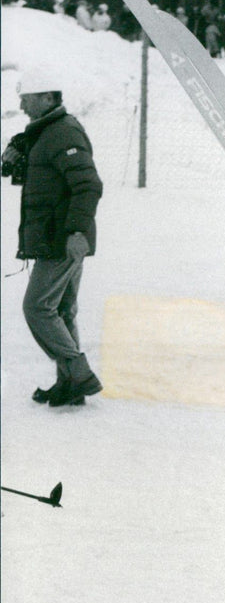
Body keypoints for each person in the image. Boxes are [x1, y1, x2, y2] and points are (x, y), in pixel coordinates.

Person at [1, 74, 103, 406]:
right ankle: (70, 384)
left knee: (37, 307)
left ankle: (79, 373)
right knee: (62, 309)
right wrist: (18, 152)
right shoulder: (46, 133)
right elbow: (46, 177)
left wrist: (75, 232)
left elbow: (88, 186)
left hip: (62, 238)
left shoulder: (64, 132)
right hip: (58, 235)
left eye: (26, 98)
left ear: (47, 98)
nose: (20, 105)